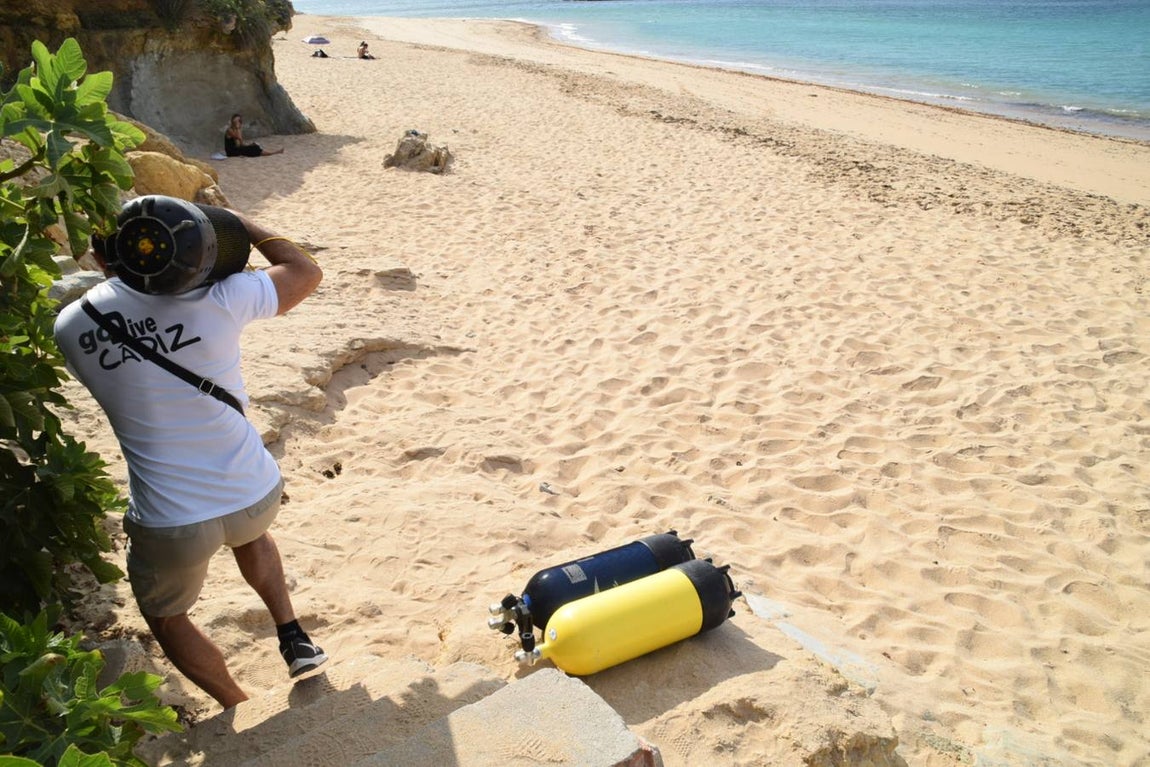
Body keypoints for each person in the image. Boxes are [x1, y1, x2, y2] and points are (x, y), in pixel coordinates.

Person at [54, 208, 326, 709]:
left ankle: (238, 705)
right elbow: (305, 270)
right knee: (251, 532)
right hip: (255, 492)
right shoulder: (220, 299)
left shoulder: (71, 325)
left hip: (173, 522)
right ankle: (293, 636)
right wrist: (238, 222)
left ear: (98, 255)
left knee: (166, 616)